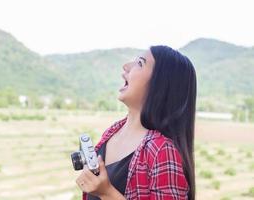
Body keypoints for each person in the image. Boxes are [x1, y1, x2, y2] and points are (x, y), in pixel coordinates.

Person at [75, 45, 196, 200]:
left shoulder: (162, 150)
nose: (126, 66)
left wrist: (107, 193)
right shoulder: (113, 131)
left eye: (140, 63)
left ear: (160, 84)